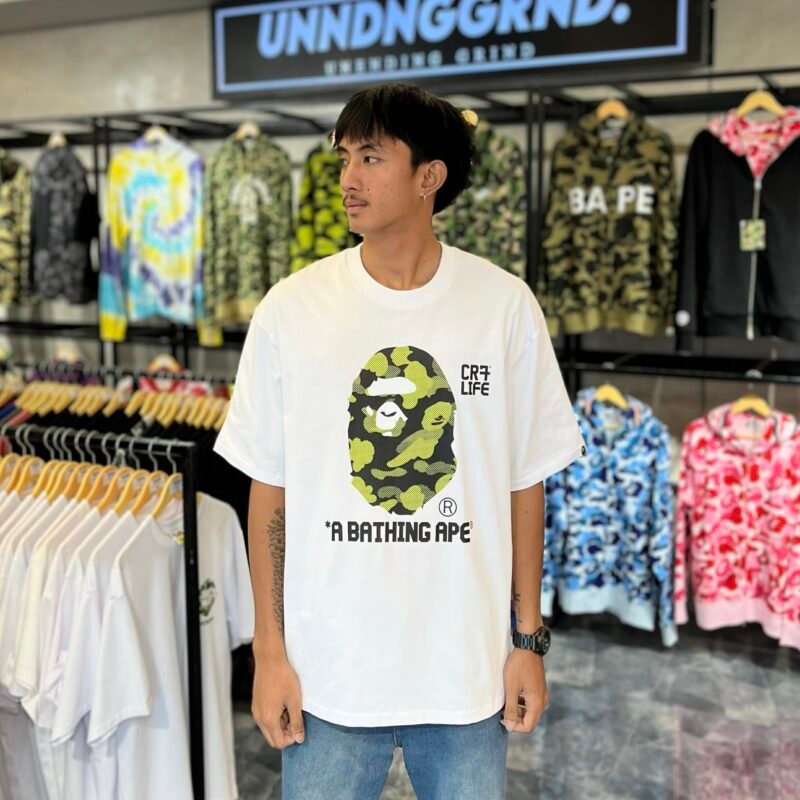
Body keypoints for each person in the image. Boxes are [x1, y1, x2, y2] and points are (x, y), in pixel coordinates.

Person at [214, 83, 585, 800]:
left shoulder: (504, 306)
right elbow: (269, 488)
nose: (348, 179)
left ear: (429, 176)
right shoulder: (292, 309)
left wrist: (527, 641)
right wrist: (270, 650)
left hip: (465, 675)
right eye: (344, 158)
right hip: (329, 677)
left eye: (372, 157)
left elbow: (525, 483)